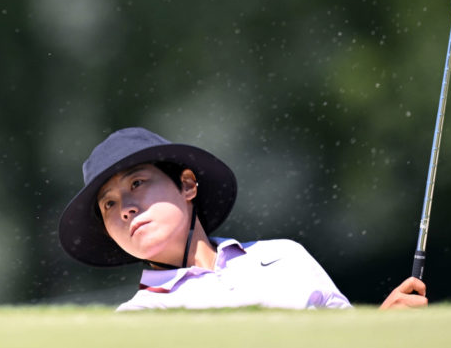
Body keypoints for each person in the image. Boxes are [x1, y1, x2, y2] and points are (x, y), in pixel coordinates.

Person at [58, 127, 428, 310]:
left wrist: (384, 327)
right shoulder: (136, 319)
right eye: (108, 205)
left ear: (187, 185)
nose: (125, 207)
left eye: (137, 183)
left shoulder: (285, 258)